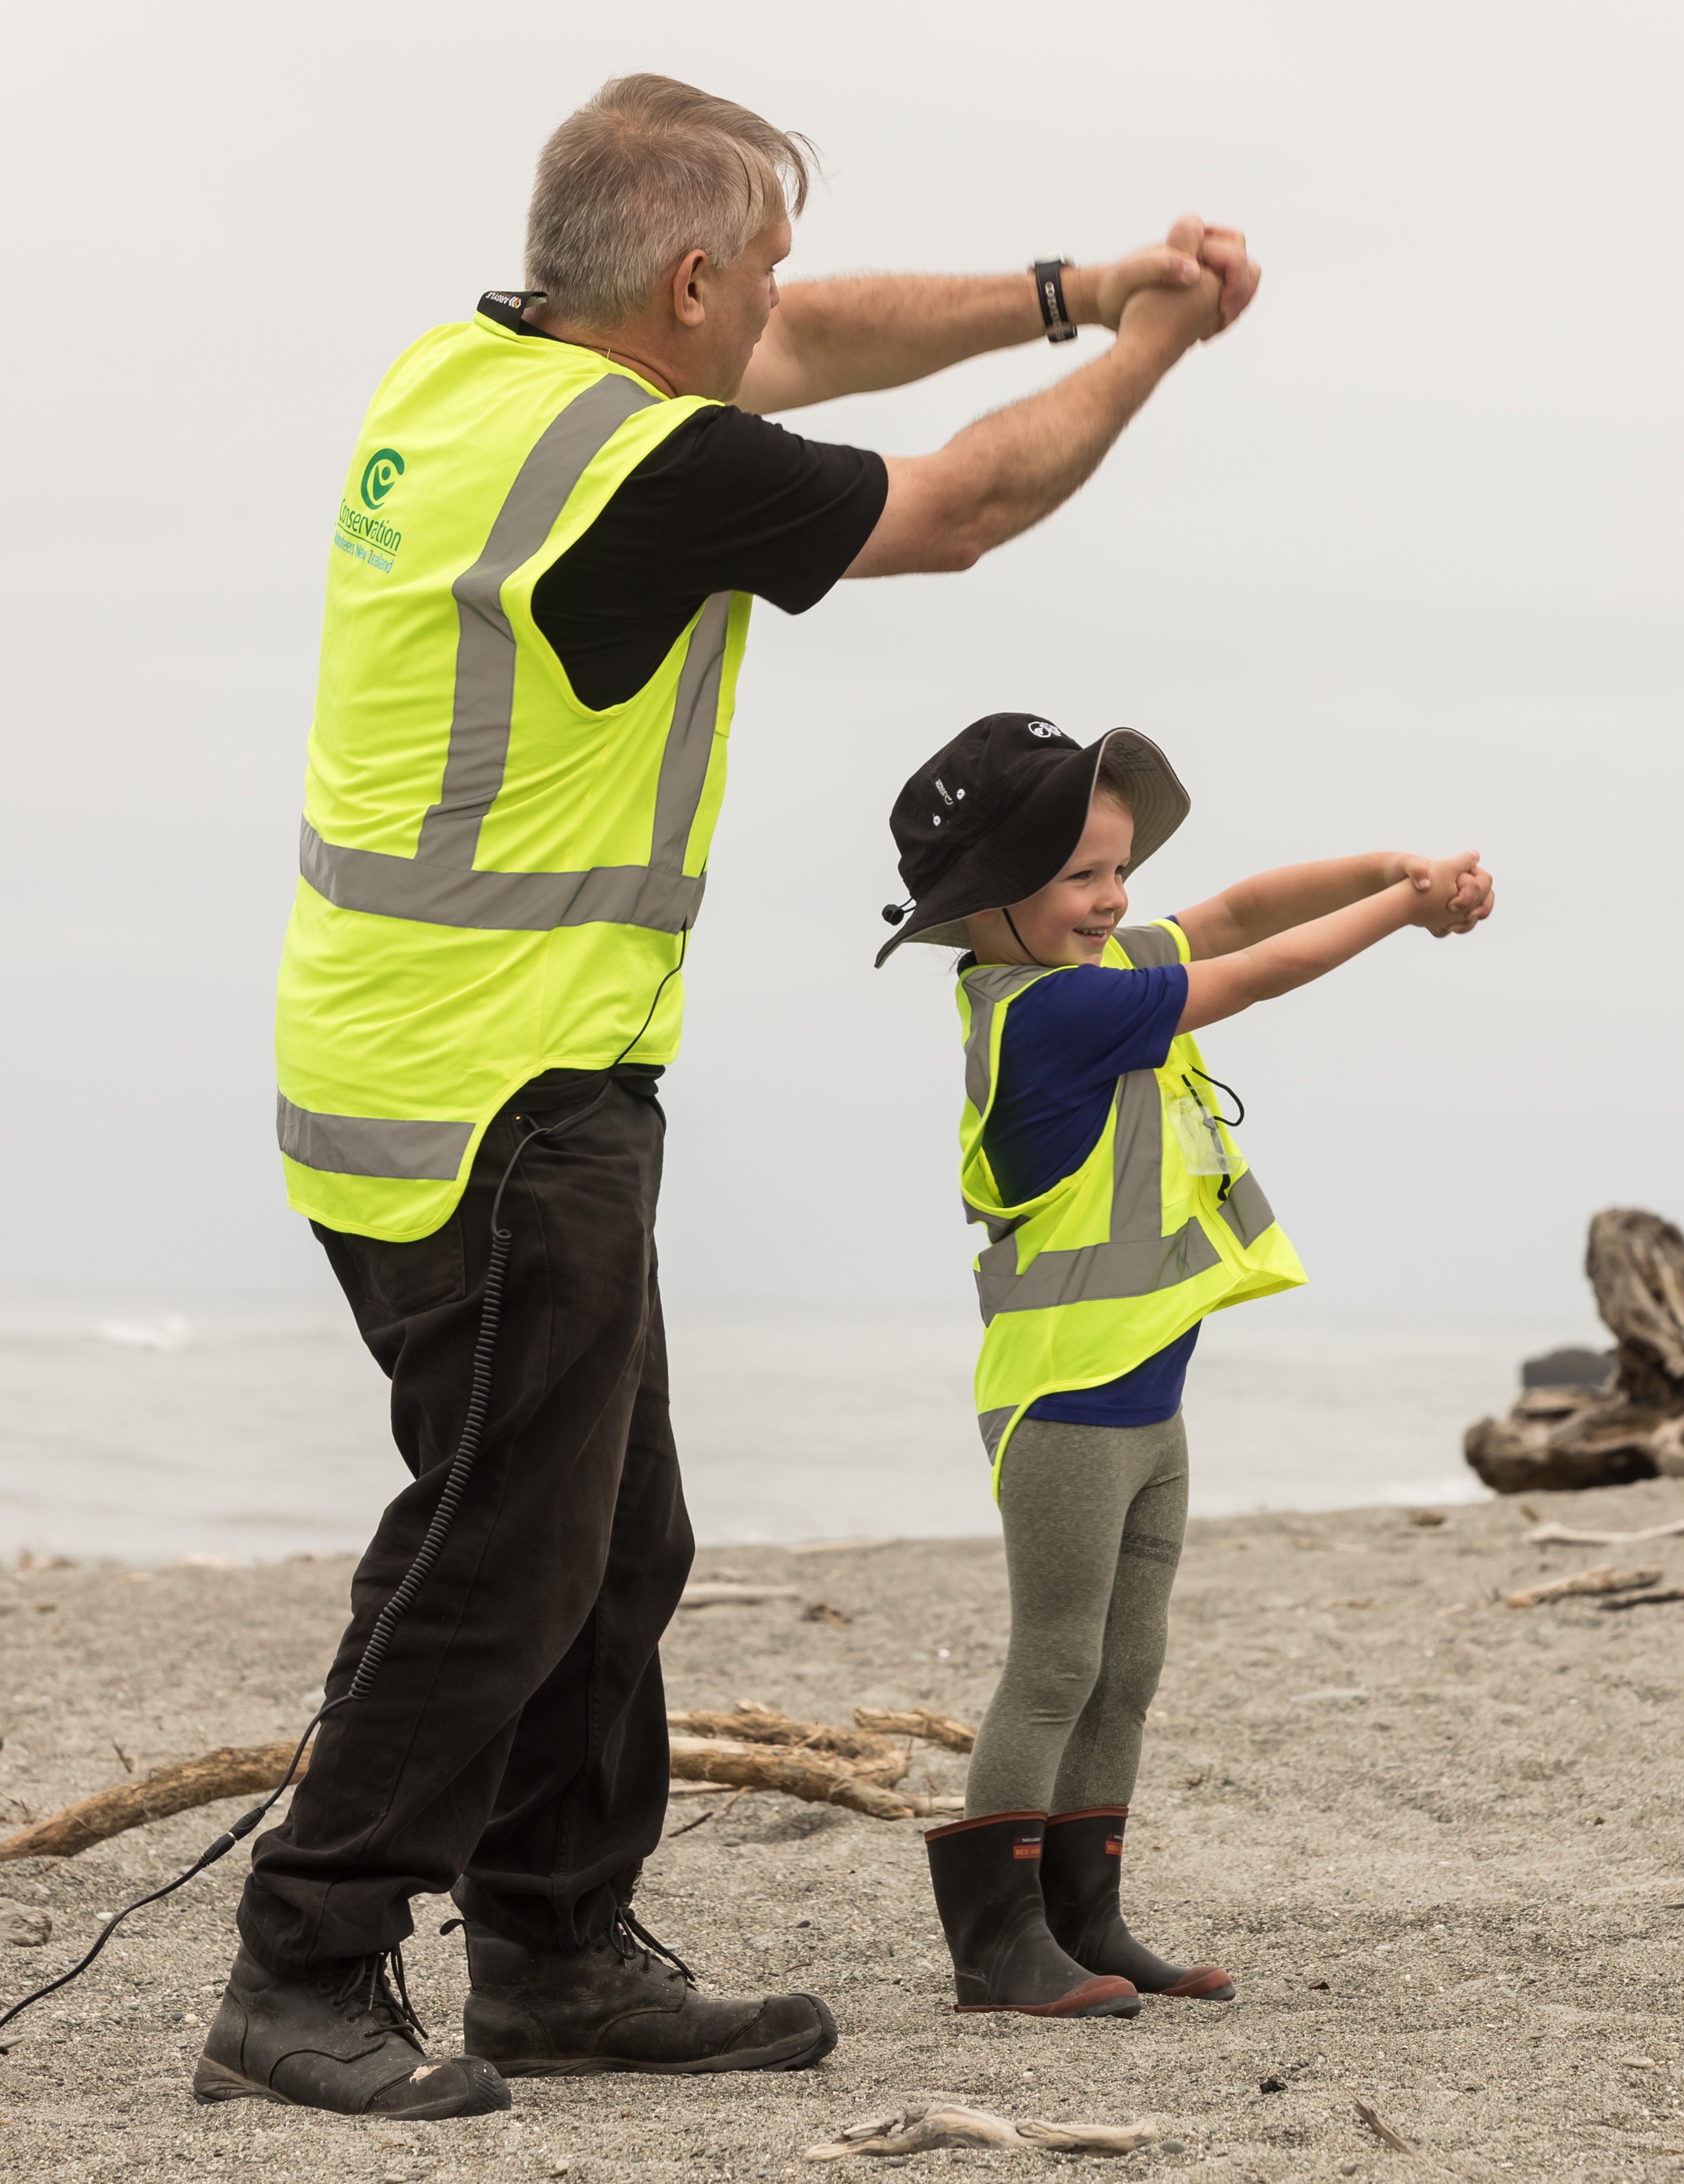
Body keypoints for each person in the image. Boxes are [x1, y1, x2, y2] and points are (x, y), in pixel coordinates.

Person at [219, 75, 1259, 2119]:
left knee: (612, 1527)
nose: (779, 303)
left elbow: (800, 342)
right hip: (494, 1085)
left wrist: (1066, 283)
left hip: (410, 1052)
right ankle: (305, 1958)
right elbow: (956, 507)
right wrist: (1153, 342)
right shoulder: (635, 468)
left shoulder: (467, 374)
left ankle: (552, 1948)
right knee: (511, 1543)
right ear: (681, 282)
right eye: (758, 267)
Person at [873, 714, 1494, 2015]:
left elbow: (1240, 907)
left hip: (1149, 1397)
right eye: (1084, 876)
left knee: (1128, 1664)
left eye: (1118, 868)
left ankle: (1083, 1919)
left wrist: (1396, 864)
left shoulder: (1088, 967)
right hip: (1065, 1405)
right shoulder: (1053, 1015)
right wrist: (1401, 910)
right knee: (1053, 1661)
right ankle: (997, 1946)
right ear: (993, 900)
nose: (1118, 898)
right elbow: (1256, 971)